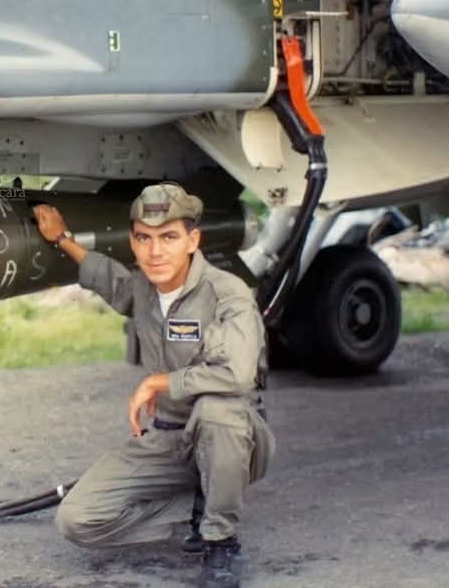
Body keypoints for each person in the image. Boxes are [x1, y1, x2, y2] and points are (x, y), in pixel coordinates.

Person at [33, 183, 274, 588]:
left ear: (192, 240)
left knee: (218, 410)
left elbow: (237, 374)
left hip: (233, 437)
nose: (155, 251)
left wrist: (161, 381)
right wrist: (61, 238)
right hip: (168, 440)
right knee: (76, 520)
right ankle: (191, 507)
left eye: (168, 238)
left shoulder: (226, 293)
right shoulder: (144, 288)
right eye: (144, 238)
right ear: (133, 241)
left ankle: (219, 538)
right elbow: (110, 279)